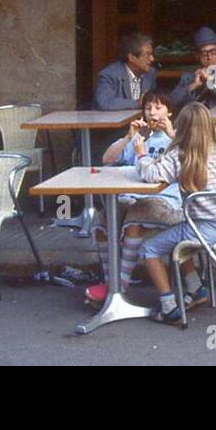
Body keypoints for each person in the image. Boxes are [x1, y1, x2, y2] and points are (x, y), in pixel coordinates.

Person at [134, 104, 216, 322]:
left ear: (181, 128)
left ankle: (168, 305)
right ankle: (196, 288)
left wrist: (141, 154)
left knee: (149, 249)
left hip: (203, 228)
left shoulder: (179, 155)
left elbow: (150, 174)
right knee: (177, 232)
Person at [84, 90, 183, 306]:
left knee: (133, 222)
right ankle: (111, 284)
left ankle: (119, 288)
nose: (152, 113)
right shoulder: (139, 139)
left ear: (169, 112)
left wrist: (171, 133)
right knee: (101, 221)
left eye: (158, 107)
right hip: (133, 197)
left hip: (166, 201)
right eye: (148, 108)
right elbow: (107, 159)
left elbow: (192, 158)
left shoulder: (177, 139)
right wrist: (129, 137)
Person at [170, 26, 216, 109]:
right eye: (204, 53)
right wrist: (194, 85)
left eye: (214, 51)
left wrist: (211, 81)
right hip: (196, 121)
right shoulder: (188, 77)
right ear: (197, 55)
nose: (209, 57)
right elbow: (171, 102)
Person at [95, 32, 159, 110]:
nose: (152, 59)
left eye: (152, 54)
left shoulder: (150, 74)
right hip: (116, 121)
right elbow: (105, 102)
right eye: (147, 55)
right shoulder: (109, 75)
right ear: (132, 57)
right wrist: (138, 103)